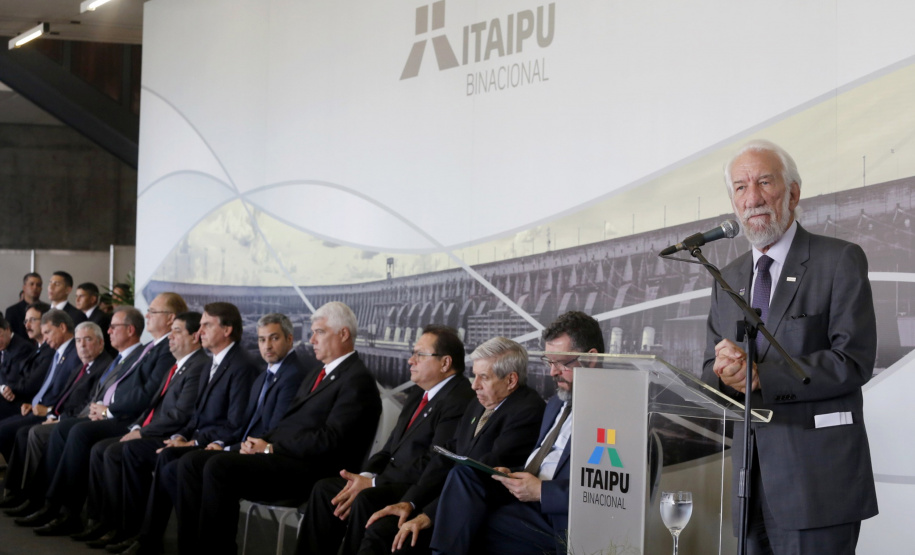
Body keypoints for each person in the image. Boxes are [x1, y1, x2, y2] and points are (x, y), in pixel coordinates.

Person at [701, 140, 878, 554]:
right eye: (741, 187)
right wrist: (723, 370)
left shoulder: (839, 261)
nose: (753, 197)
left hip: (816, 484)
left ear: (793, 193)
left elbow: (852, 360)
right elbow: (712, 361)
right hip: (748, 483)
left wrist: (764, 374)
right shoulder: (727, 277)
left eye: (765, 182)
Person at [162, 301, 380, 555]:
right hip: (284, 458)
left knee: (218, 467)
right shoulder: (318, 373)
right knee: (191, 463)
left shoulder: (357, 380)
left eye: (319, 332)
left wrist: (271, 448)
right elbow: (287, 422)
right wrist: (258, 442)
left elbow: (331, 440)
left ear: (343, 334)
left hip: (311, 470)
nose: (311, 339)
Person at [101, 312, 297, 554]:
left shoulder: (246, 367)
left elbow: (241, 424)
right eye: (261, 339)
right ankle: (150, 538)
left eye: (206, 326)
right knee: (166, 458)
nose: (200, 331)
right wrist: (181, 438)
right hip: (215, 441)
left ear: (226, 330)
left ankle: (178, 543)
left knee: (183, 464)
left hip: (241, 448)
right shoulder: (214, 364)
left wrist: (216, 444)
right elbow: (194, 417)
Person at [429, 311, 604, 555]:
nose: (552, 372)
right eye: (549, 362)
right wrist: (514, 473)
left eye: (561, 363)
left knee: (467, 518)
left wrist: (541, 491)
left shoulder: (611, 416)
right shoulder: (556, 403)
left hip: (558, 519)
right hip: (525, 500)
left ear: (591, 358)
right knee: (465, 475)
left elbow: (607, 490)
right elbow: (544, 460)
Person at [297, 325, 475, 555]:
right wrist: (366, 476)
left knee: (365, 498)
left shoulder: (459, 400)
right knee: (325, 491)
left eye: (419, 355)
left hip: (416, 490)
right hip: (388, 480)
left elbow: (435, 463)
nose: (410, 361)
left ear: (445, 363)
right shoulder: (419, 394)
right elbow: (389, 449)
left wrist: (373, 484)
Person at [362, 336, 546, 555]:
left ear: (511, 380)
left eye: (483, 377)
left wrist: (427, 515)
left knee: (392, 538)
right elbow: (447, 454)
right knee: (378, 522)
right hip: (442, 499)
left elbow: (480, 473)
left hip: (474, 513)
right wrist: (410, 502)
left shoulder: (527, 410)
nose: (474, 385)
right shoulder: (479, 402)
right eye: (474, 375)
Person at [75, 311, 210, 549]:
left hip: (172, 435)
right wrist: (138, 425)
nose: (171, 337)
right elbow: (152, 405)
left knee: (123, 451)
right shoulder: (178, 365)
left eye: (177, 331)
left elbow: (180, 415)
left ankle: (133, 531)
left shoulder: (199, 365)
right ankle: (109, 523)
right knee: (103, 449)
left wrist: (142, 432)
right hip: (153, 430)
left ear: (195, 337)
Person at [0, 321, 111, 512]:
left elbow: (87, 404)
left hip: (73, 419)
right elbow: (64, 396)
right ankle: (21, 492)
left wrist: (54, 415)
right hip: (56, 413)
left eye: (88, 340)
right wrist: (52, 412)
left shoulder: (103, 366)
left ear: (101, 343)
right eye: (78, 341)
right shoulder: (82, 366)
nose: (82, 345)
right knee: (25, 432)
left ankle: (36, 498)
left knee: (32, 433)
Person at [0, 310, 82, 462]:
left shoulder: (74, 354)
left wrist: (50, 411)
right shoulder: (58, 352)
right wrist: (33, 404)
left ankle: (19, 481)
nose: (45, 338)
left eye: (48, 332)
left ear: (62, 328)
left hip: (50, 412)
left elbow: (69, 393)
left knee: (6, 431)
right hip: (36, 407)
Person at [0, 303, 53, 420]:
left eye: (32, 320)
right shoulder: (38, 349)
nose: (27, 325)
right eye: (26, 321)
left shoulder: (48, 350)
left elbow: (29, 384)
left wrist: (8, 388)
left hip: (29, 403)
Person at [75, 282, 114, 355]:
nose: (77, 300)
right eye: (76, 296)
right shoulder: (79, 316)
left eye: (81, 296)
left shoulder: (101, 318)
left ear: (93, 299)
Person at [0, 314, 35, 393]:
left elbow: (12, 381)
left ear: (8, 329)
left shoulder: (23, 348)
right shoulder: (4, 346)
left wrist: (2, 388)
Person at [4, 273, 42, 338]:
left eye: (38, 285)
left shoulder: (48, 309)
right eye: (31, 284)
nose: (35, 287)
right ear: (24, 287)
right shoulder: (12, 311)